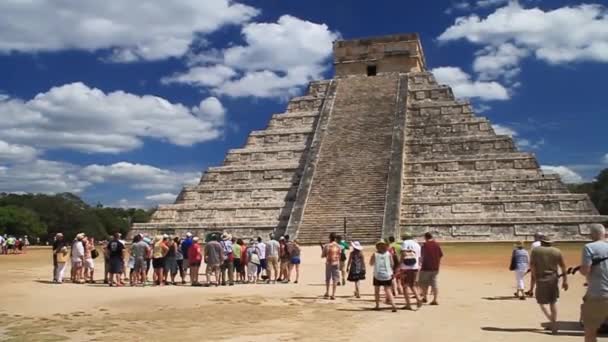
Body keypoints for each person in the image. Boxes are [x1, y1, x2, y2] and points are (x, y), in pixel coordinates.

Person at [529, 236, 568, 334]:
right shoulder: (557, 251)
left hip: (541, 278)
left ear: (542, 242)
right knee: (553, 302)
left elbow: (532, 266)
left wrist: (534, 278)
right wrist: (565, 280)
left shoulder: (535, 251)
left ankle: (552, 322)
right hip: (553, 278)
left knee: (541, 303)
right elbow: (563, 266)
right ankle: (553, 324)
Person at [580, 224, 608, 342]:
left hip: (598, 293)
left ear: (593, 234)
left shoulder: (589, 247)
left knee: (590, 332)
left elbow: (586, 270)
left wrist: (582, 269)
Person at [371, 240, 397, 312]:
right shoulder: (388, 254)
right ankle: (393, 304)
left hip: (377, 274)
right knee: (388, 290)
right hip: (387, 274)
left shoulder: (375, 254)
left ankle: (377, 305)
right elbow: (392, 264)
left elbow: (371, 263)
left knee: (377, 290)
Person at [420, 232, 443, 305]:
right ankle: (435, 299)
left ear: (426, 238)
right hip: (435, 268)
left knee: (424, 283)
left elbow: (421, 256)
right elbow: (440, 255)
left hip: (426, 267)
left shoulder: (424, 245)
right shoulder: (437, 244)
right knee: (434, 283)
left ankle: (425, 297)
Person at [400, 234, 422, 310]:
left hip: (406, 267)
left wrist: (399, 265)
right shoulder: (417, 244)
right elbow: (419, 257)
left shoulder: (405, 243)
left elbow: (403, 254)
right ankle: (418, 298)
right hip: (415, 267)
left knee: (405, 286)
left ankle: (408, 304)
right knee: (412, 285)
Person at [321, 233, 341, 300]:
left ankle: (327, 292)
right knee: (335, 279)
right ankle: (333, 294)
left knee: (328, 278)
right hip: (336, 263)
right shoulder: (339, 246)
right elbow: (340, 255)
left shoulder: (327, 246)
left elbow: (323, 255)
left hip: (329, 263)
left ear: (330, 238)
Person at [526, 232, 544, 297]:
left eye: (535, 236)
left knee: (533, 277)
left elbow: (532, 254)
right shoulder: (544, 244)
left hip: (535, 262)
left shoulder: (534, 244)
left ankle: (532, 291)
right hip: (544, 262)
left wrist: (530, 265)